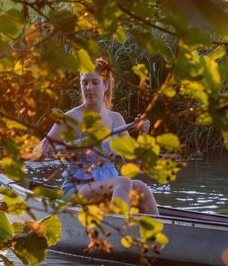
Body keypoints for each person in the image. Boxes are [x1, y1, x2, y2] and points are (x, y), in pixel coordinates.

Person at [41, 58, 159, 216]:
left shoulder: (116, 119)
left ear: (105, 84)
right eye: (85, 83)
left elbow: (134, 164)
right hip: (77, 190)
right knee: (123, 182)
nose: (89, 88)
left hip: (110, 189)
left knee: (139, 186)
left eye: (95, 83)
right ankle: (116, 232)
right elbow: (39, 149)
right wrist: (46, 146)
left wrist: (143, 134)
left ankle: (158, 236)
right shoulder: (71, 118)